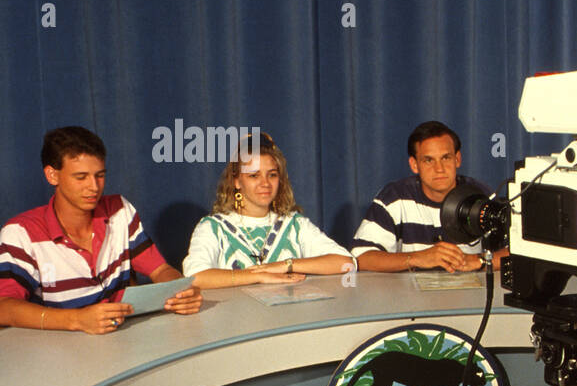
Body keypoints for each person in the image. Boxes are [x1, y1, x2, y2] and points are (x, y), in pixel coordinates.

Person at [0, 126, 202, 334]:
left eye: (100, 175)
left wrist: (180, 291)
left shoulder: (120, 211)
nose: (94, 186)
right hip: (56, 352)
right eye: (81, 177)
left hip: (121, 342)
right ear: (52, 175)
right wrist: (77, 320)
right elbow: (4, 307)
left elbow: (161, 270)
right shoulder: (21, 232)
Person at [182, 132, 355, 287]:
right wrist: (259, 276)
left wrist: (286, 264)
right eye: (254, 175)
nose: (265, 183)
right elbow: (195, 277)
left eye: (272, 174)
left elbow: (346, 263)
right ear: (236, 181)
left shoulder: (294, 223)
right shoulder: (213, 227)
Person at [351, 120, 494, 272]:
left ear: (457, 159)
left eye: (446, 158)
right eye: (428, 160)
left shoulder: (482, 196)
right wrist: (418, 258)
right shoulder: (394, 198)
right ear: (414, 165)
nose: (439, 169)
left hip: (471, 293)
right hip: (410, 294)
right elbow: (361, 257)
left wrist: (479, 260)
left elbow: (517, 252)